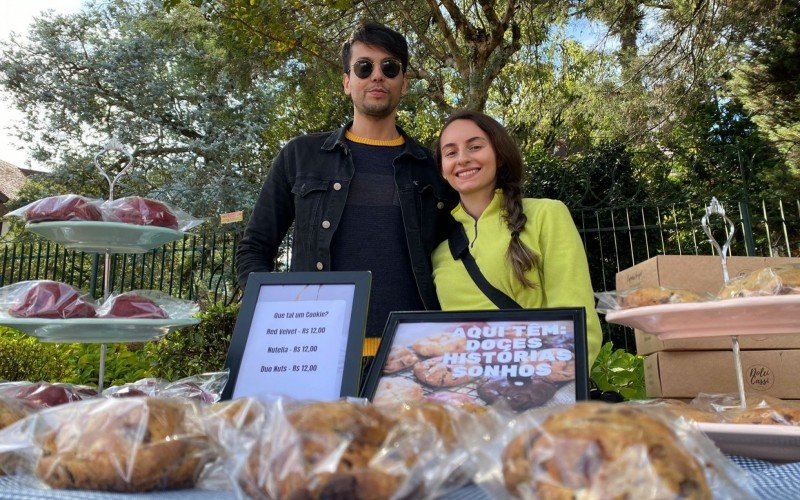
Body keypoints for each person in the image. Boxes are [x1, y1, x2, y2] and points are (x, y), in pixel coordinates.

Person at [236, 22, 457, 347]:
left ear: (404, 83)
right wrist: (279, 314)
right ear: (346, 81)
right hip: (316, 354)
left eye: (390, 67)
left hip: (411, 354)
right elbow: (254, 249)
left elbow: (460, 254)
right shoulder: (301, 156)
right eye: (364, 67)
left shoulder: (432, 169)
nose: (377, 76)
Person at [431, 110, 602, 365]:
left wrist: (553, 385)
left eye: (475, 147)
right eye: (451, 152)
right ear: (442, 169)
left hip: (540, 388)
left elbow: (578, 321)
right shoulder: (439, 251)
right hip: (467, 396)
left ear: (499, 155)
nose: (463, 159)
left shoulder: (547, 215)